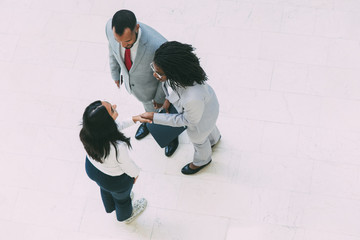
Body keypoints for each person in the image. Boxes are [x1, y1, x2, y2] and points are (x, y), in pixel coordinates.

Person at [105, 9, 178, 157]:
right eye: (119, 41)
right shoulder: (109, 27)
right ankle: (147, 123)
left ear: (136, 28)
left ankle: (172, 137)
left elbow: (167, 76)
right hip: (139, 89)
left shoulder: (158, 45)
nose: (123, 45)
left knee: (163, 115)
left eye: (127, 42)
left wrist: (159, 99)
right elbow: (112, 50)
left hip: (154, 91)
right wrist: (115, 73)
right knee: (147, 108)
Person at [141, 41, 221, 175]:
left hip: (199, 121)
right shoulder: (184, 76)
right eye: (154, 69)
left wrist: (155, 117)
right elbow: (176, 91)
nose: (155, 74)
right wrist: (168, 100)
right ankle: (214, 140)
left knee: (199, 141)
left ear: (173, 72)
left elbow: (188, 121)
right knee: (210, 129)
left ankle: (202, 160)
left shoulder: (192, 98)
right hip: (206, 109)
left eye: (159, 73)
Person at [79, 100, 150, 223]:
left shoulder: (87, 132)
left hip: (93, 170)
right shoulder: (118, 147)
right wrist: (135, 174)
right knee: (123, 200)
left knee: (105, 189)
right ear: (106, 123)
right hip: (114, 181)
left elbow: (112, 128)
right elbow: (128, 166)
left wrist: (134, 119)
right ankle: (126, 217)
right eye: (112, 109)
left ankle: (111, 206)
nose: (115, 106)